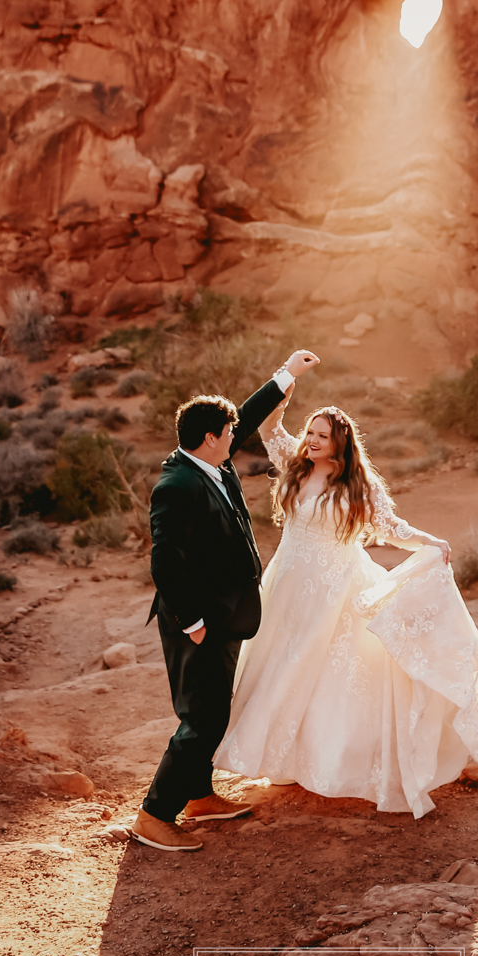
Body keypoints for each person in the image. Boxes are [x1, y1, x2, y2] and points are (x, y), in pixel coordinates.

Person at [215, 397, 478, 818]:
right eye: (310, 432)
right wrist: (286, 384)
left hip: (336, 589)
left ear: (339, 444)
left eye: (321, 436)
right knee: (281, 665)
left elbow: (390, 527)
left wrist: (429, 542)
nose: (310, 440)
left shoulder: (358, 487)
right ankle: (287, 759)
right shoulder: (296, 465)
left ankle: (336, 762)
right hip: (287, 584)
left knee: (332, 672)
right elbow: (270, 429)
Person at [127, 348, 320, 853]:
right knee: (203, 717)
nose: (237, 437)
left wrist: (286, 375)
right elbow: (165, 562)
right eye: (229, 433)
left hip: (224, 614)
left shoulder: (209, 457)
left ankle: (197, 795)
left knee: (214, 708)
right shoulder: (176, 485)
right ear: (210, 438)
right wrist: (191, 621)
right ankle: (153, 814)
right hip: (197, 620)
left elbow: (245, 415)